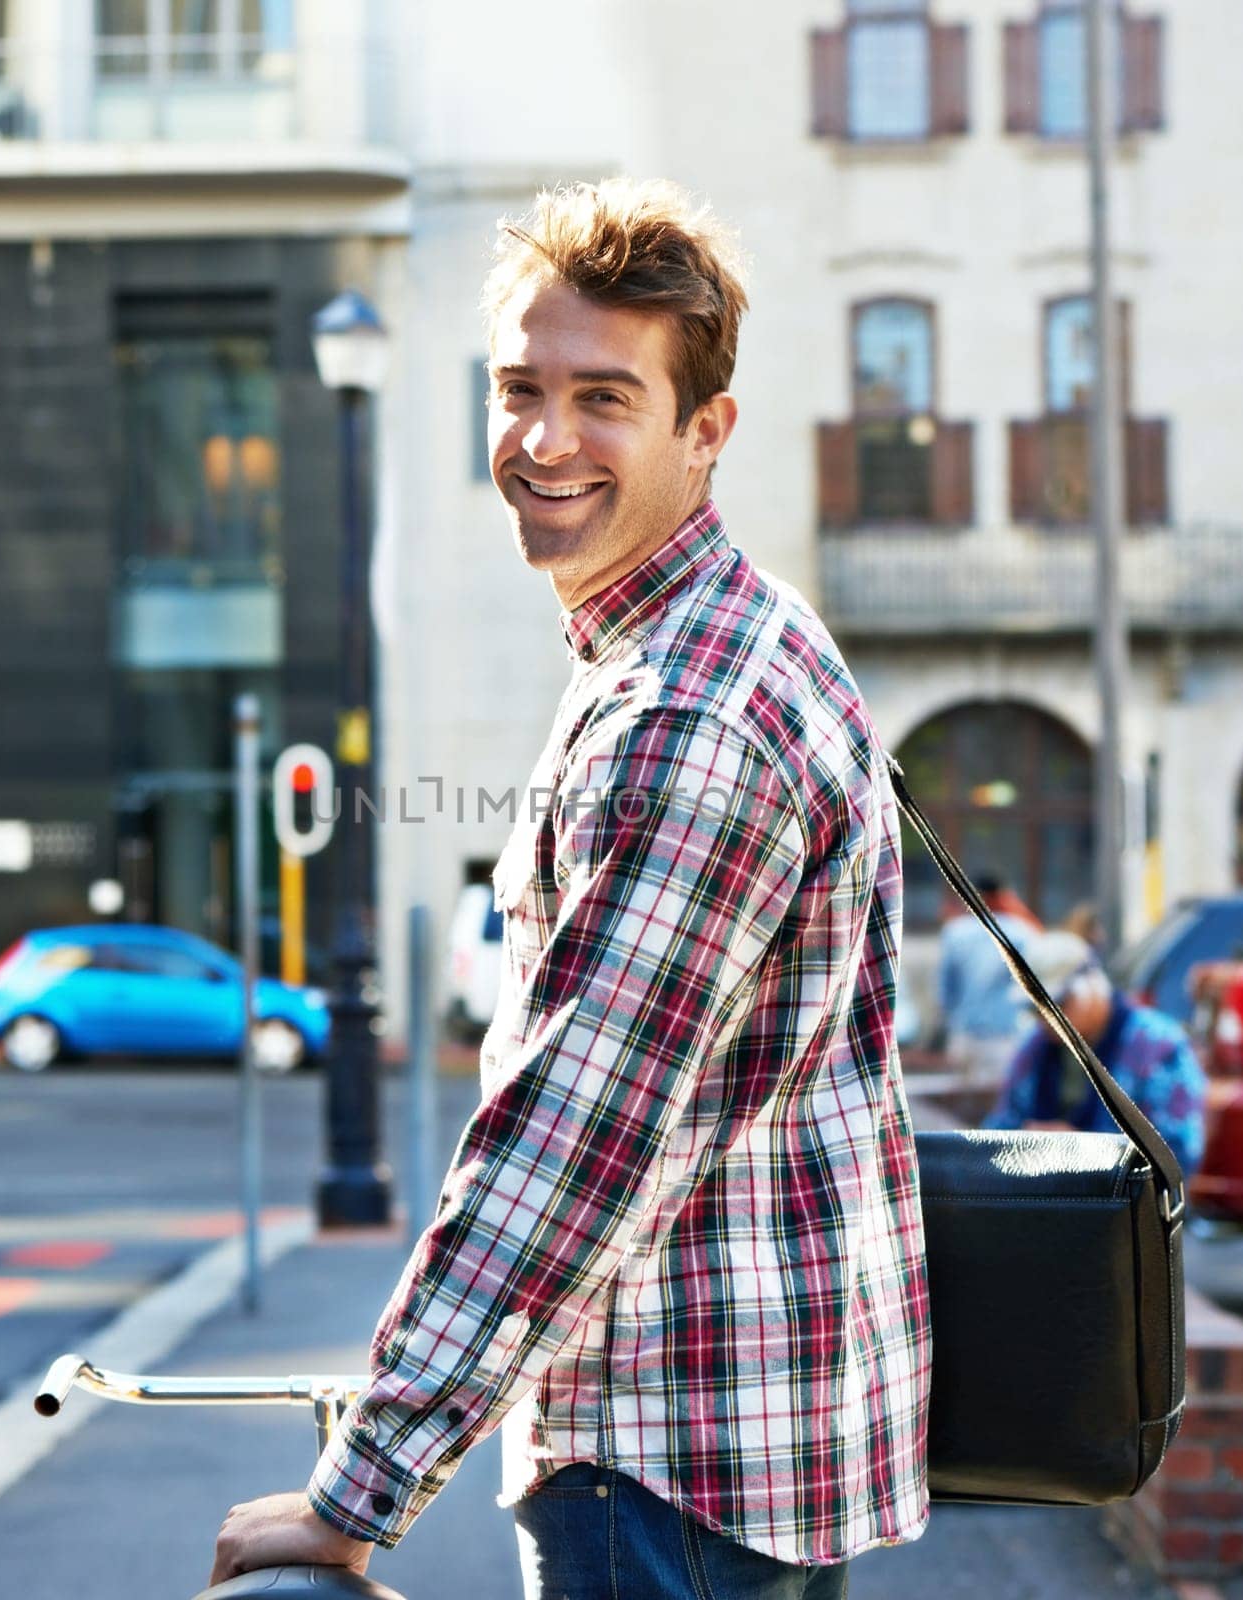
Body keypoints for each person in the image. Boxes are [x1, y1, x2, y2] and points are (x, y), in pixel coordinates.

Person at [210, 179, 929, 1599]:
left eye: (605, 395)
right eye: (518, 388)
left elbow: (570, 1143)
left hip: (669, 1470)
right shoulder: (746, 636)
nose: (545, 440)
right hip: (757, 1448)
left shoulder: (686, 720)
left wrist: (357, 1493)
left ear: (703, 430)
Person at [987, 930, 1207, 1176]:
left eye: (1057, 1004)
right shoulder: (1034, 1048)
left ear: (1092, 984)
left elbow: (1177, 1154)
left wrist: (1082, 1151)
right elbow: (998, 1130)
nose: (1045, 1019)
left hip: (1130, 1210)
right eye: (1034, 1008)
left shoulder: (1159, 1046)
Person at [936, 873, 1039, 1087]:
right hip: (1004, 1035)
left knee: (959, 1108)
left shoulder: (955, 932)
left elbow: (945, 990)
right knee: (998, 1103)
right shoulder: (1021, 933)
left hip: (963, 1034)